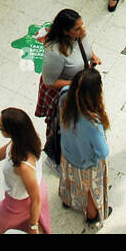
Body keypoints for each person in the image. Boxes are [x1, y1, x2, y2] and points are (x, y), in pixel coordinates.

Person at [38, 9, 98, 170]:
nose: (83, 30)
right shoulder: (54, 52)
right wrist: (76, 84)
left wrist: (92, 57)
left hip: (81, 87)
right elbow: (49, 82)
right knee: (60, 128)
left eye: (82, 25)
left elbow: (85, 49)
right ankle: (53, 156)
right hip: (65, 94)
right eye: (77, 29)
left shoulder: (80, 35)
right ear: (65, 32)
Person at [0, 108, 50, 233]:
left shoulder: (23, 166)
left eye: (0, 127)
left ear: (11, 132)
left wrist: (33, 226)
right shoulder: (26, 140)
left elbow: (35, 200)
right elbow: (8, 149)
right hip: (32, 191)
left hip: (18, 204)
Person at [58, 68, 111, 228]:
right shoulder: (92, 121)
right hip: (86, 163)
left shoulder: (65, 95)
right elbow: (103, 152)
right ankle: (92, 216)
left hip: (67, 151)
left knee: (68, 178)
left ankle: (67, 201)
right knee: (89, 190)